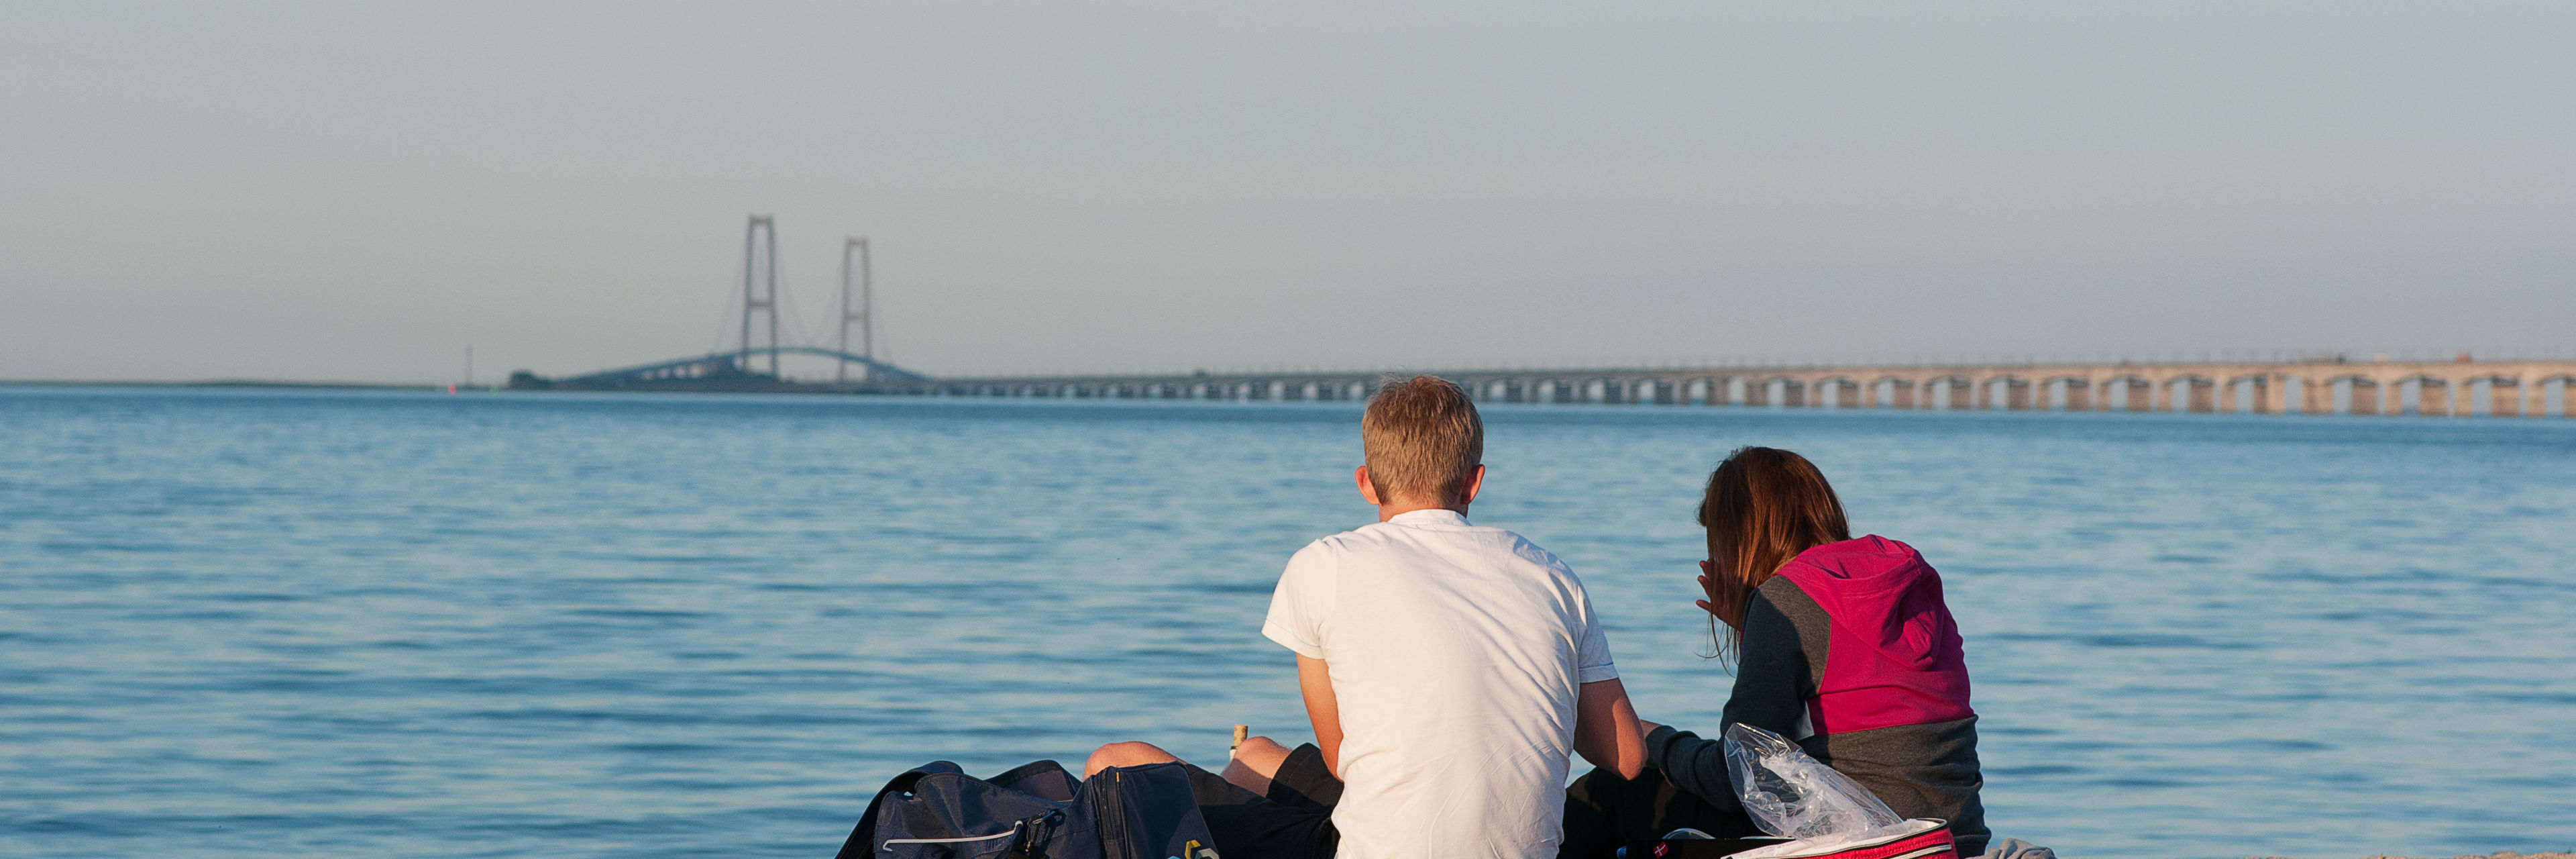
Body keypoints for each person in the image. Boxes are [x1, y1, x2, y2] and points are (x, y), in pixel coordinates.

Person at [1088, 374, 1648, 859]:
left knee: (1116, 765)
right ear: (1475, 482)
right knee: (1255, 756)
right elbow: (1625, 757)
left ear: (1365, 483)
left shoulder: (1323, 566)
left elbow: (1339, 760)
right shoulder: (1552, 576)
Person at [1559, 447, 1990, 857]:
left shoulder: (1788, 600)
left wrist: (1654, 743)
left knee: (1614, 793)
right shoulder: (1908, 580)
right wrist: (1753, 625)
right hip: (1954, 836)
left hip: (1863, 843)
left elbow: (1738, 781)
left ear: (1739, 538)